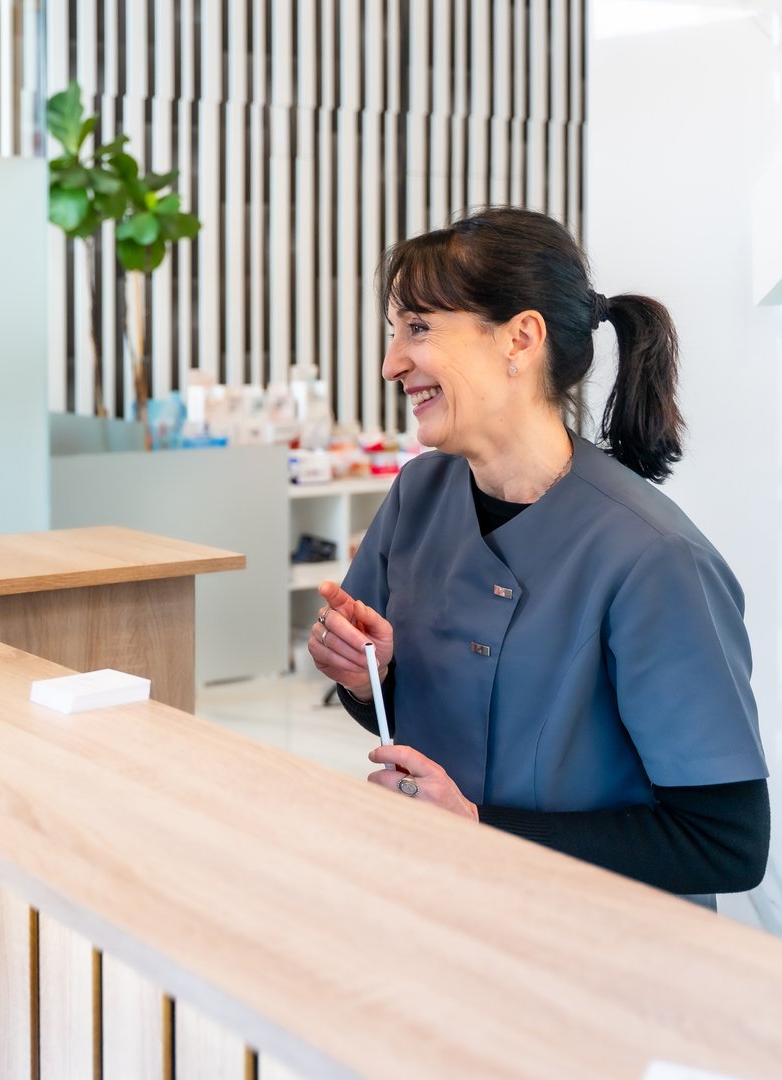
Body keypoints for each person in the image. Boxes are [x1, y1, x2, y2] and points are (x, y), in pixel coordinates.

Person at [310, 206, 769, 905]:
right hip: (441, 901)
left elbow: (724, 843)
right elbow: (408, 712)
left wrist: (478, 827)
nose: (390, 363)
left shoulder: (653, 559)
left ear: (520, 339)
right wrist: (366, 679)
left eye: (419, 329)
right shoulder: (419, 495)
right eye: (394, 333)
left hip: (601, 954)